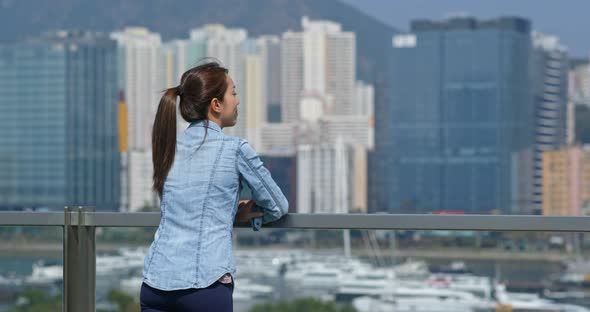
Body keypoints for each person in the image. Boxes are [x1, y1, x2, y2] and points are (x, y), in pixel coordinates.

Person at [140, 61, 289, 312]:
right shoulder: (235, 149)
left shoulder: (169, 148)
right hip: (205, 286)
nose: (238, 101)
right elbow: (277, 206)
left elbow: (185, 207)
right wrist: (241, 216)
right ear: (216, 105)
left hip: (156, 283)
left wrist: (226, 213)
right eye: (234, 93)